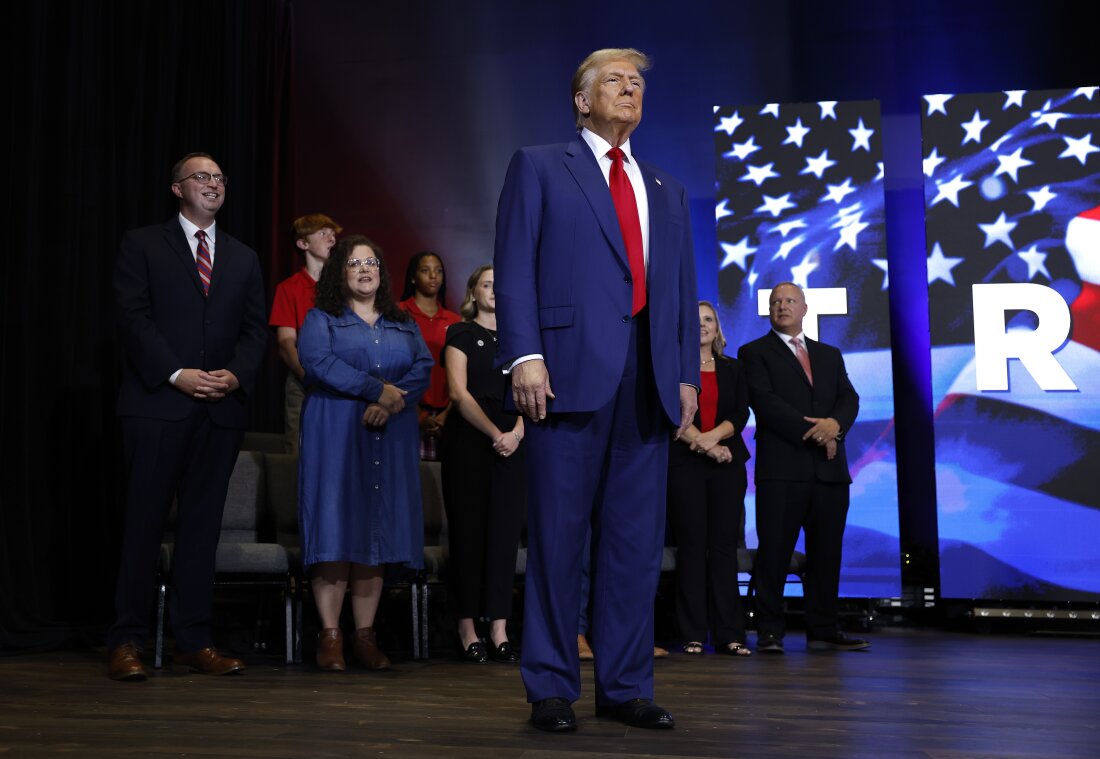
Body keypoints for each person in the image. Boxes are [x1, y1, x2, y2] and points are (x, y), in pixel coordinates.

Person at [494, 48, 698, 732]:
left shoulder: (666, 187)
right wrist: (523, 352)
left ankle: (624, 684)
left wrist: (685, 373)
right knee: (558, 538)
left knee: (635, 547)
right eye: (614, 79)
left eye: (637, 81)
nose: (630, 87)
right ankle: (551, 685)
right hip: (566, 374)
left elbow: (680, 290)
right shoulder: (541, 164)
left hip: (648, 382)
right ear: (582, 100)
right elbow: (515, 263)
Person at [108, 152, 268, 681]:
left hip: (219, 412)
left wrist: (237, 375)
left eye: (221, 178)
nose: (214, 184)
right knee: (143, 525)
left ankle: (193, 641)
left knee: (202, 532)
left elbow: (254, 332)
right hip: (158, 406)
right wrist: (176, 373)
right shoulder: (143, 244)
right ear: (177, 188)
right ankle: (127, 640)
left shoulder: (244, 257)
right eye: (202, 176)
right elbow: (132, 319)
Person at [297, 235, 432, 671]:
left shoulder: (403, 322)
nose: (364, 269)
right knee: (336, 525)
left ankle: (365, 636)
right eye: (354, 263)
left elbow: (423, 367)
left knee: (377, 529)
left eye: (371, 261)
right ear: (340, 272)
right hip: (336, 432)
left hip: (390, 435)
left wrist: (391, 402)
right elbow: (318, 363)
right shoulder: (323, 319)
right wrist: (377, 391)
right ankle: (331, 635)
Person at [737, 282, 869, 654]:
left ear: (805, 308)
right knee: (774, 552)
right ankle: (769, 631)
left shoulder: (830, 354)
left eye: (790, 301)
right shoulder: (754, 352)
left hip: (830, 472)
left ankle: (824, 628)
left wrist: (835, 427)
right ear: (769, 310)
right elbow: (765, 403)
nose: (782, 306)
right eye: (776, 302)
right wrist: (817, 432)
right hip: (782, 469)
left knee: (827, 553)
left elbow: (849, 398)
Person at [439, 265, 525, 665]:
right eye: (487, 284)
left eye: (500, 284)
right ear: (473, 291)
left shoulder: (520, 340)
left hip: (515, 443)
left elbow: (538, 391)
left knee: (505, 537)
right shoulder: (460, 333)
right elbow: (458, 393)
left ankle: (499, 629)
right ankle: (468, 627)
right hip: (471, 442)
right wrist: (495, 433)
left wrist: (518, 432)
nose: (494, 290)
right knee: (469, 535)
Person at [668, 302, 752, 657]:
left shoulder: (733, 368)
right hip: (685, 464)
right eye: (695, 319)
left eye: (708, 320)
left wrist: (712, 438)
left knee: (723, 549)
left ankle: (730, 634)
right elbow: (669, 411)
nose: (702, 325)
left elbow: (740, 411)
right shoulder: (671, 366)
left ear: (718, 329)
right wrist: (703, 445)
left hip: (728, 464)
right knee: (691, 548)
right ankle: (692, 634)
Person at [269, 214, 342, 453]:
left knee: (342, 449)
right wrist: (307, 376)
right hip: (304, 380)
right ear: (303, 244)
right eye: (323, 233)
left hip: (343, 377)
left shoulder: (345, 286)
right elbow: (286, 342)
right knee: (299, 451)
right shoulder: (289, 288)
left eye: (333, 234)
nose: (332, 239)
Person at [398, 251, 461, 460]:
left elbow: (463, 374)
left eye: (438, 271)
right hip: (406, 409)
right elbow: (391, 367)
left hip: (448, 414)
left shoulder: (455, 321)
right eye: (425, 270)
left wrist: (446, 415)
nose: (433, 276)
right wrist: (418, 414)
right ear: (413, 277)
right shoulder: (398, 314)